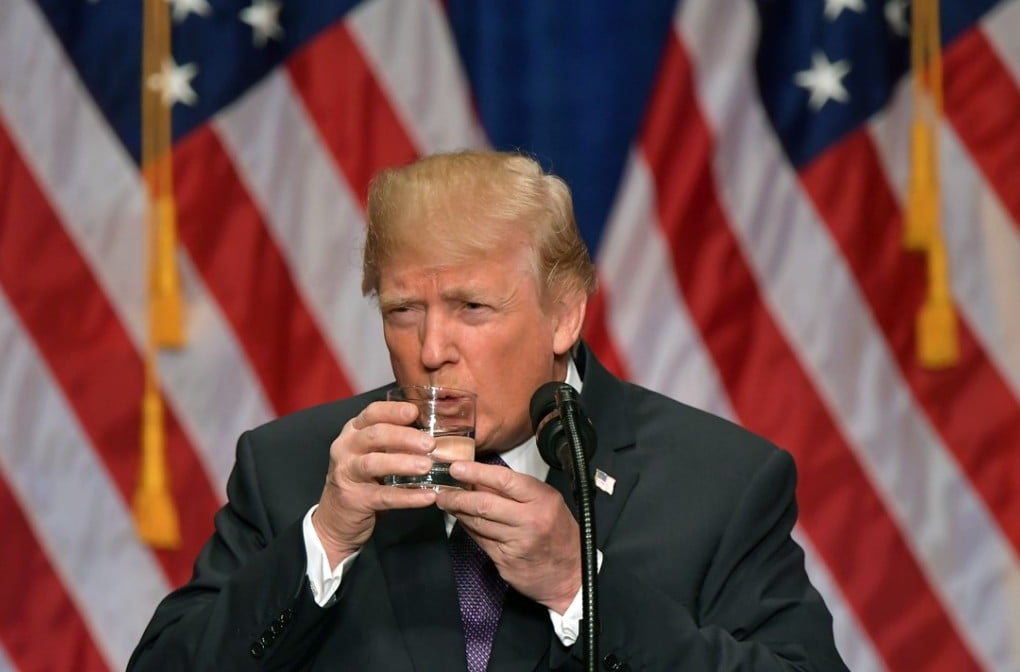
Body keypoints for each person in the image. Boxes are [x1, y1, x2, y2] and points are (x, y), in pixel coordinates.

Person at [128, 150, 848, 671]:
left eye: (471, 307)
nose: (431, 349)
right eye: (403, 310)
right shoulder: (292, 468)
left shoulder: (720, 482)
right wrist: (325, 541)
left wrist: (579, 587)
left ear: (564, 315)